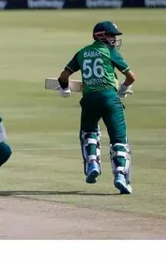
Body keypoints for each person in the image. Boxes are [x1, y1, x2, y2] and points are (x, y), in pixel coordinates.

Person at [57, 21, 135, 194]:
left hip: (90, 99)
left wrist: (64, 88)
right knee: (119, 140)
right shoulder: (110, 52)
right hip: (110, 98)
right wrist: (123, 89)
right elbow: (131, 77)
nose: (114, 39)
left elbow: (63, 76)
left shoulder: (82, 52)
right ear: (100, 35)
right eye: (111, 35)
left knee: (89, 133)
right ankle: (121, 175)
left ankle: (92, 163)